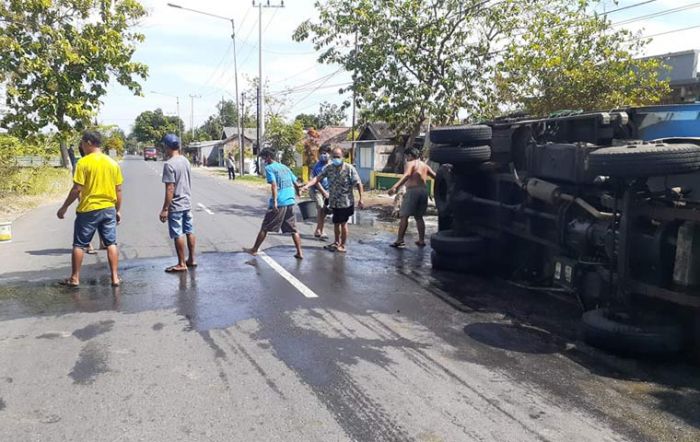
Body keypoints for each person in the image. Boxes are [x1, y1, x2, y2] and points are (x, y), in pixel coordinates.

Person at [56, 130, 123, 287]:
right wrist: (117, 210)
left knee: (79, 245)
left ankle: (75, 278)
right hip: (108, 208)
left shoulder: (83, 163)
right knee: (111, 243)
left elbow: (77, 189)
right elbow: (118, 190)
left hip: (88, 209)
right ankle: (114, 277)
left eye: (83, 143)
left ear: (89, 143)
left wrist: (64, 207)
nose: (82, 146)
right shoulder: (113, 163)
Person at [244, 148, 304, 259]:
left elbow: (274, 185)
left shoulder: (269, 168)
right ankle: (299, 252)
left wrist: (275, 201)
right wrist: (299, 191)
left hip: (280, 201)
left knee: (265, 227)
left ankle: (254, 250)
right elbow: (295, 183)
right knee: (293, 229)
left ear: (269, 157)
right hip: (290, 200)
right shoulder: (285, 167)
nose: (263, 160)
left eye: (263, 158)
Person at [302, 147, 364, 254]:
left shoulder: (349, 169)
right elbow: (317, 178)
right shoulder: (329, 168)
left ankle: (343, 245)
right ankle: (336, 242)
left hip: (346, 202)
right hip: (334, 201)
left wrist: (361, 199)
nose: (336, 159)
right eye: (334, 156)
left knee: (343, 224)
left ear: (343, 157)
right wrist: (307, 186)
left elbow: (358, 183)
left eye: (338, 157)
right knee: (336, 223)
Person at [159, 134, 197, 273]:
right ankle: (192, 258)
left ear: (167, 147)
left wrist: (165, 209)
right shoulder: (185, 161)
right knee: (190, 230)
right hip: (187, 202)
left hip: (176, 205)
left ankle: (182, 263)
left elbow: (170, 188)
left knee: (177, 233)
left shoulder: (169, 164)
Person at [388, 147, 436, 248]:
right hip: (423, 191)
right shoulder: (424, 165)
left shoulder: (411, 163)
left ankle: (400, 240)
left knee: (404, 216)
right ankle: (421, 240)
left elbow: (407, 175)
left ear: (410, 155)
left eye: (406, 156)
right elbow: (435, 176)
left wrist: (395, 187)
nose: (406, 158)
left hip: (413, 191)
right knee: (419, 217)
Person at [310, 146, 331, 240]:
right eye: (322, 153)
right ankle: (319, 230)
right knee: (321, 208)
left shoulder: (333, 165)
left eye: (326, 153)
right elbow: (316, 181)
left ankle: (319, 229)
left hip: (329, 191)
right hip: (317, 190)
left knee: (326, 210)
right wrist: (323, 192)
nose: (324, 155)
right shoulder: (317, 166)